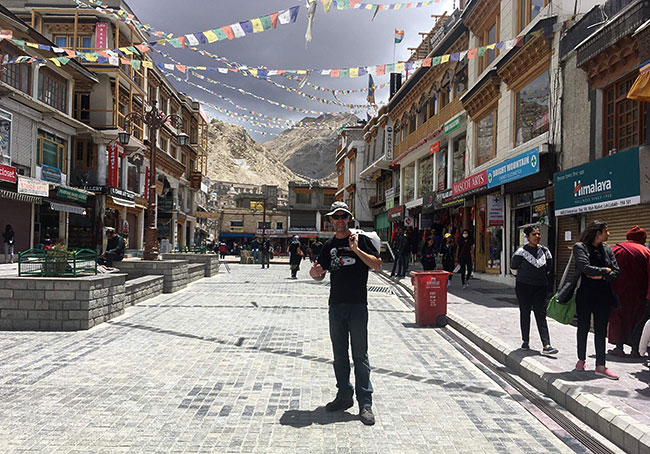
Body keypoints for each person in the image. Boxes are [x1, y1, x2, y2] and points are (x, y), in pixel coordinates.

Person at [309, 201, 382, 426]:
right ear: (330, 220)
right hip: (336, 306)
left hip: (358, 306)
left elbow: (377, 265)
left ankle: (365, 403)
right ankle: (344, 396)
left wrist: (356, 250)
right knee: (339, 355)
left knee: (360, 355)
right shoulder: (328, 244)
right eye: (335, 217)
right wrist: (315, 273)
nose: (339, 220)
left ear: (348, 218)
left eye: (343, 216)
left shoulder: (362, 241)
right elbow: (319, 273)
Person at [573, 220, 621, 380]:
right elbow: (584, 268)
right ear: (598, 233)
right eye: (606, 231)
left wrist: (599, 274)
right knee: (583, 327)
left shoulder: (607, 249)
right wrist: (605, 271)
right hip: (585, 295)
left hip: (603, 295)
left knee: (600, 331)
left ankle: (601, 365)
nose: (609, 234)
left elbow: (616, 271)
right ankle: (581, 360)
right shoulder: (580, 247)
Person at [511, 225, 558, 355]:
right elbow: (513, 268)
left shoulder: (544, 251)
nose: (537, 237)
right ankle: (525, 341)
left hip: (541, 287)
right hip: (524, 286)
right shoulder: (520, 252)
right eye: (534, 234)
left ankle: (546, 344)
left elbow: (549, 268)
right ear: (527, 237)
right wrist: (525, 277)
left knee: (541, 314)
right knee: (525, 313)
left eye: (538, 234)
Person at [609, 226, 650, 357]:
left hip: (618, 292)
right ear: (642, 238)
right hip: (640, 294)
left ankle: (619, 348)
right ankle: (635, 350)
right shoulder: (645, 252)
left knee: (618, 319)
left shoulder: (616, 249)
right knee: (638, 320)